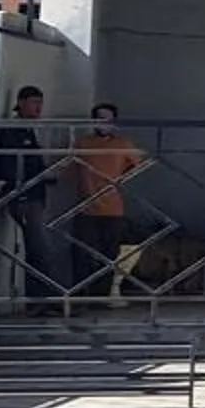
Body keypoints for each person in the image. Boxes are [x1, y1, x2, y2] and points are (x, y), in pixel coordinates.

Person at [0, 84, 62, 314]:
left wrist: (48, 174)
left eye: (41, 103)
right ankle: (40, 301)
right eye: (34, 103)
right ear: (21, 103)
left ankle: (42, 300)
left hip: (34, 194)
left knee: (38, 249)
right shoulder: (13, 130)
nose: (39, 108)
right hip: (24, 197)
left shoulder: (28, 129)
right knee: (40, 250)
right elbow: (12, 166)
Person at [68, 102, 145, 298]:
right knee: (81, 253)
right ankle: (80, 296)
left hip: (112, 208)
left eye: (107, 119)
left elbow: (139, 165)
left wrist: (119, 179)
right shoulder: (83, 143)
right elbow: (67, 166)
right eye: (99, 118)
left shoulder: (122, 144)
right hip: (85, 207)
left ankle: (102, 296)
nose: (103, 122)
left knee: (109, 255)